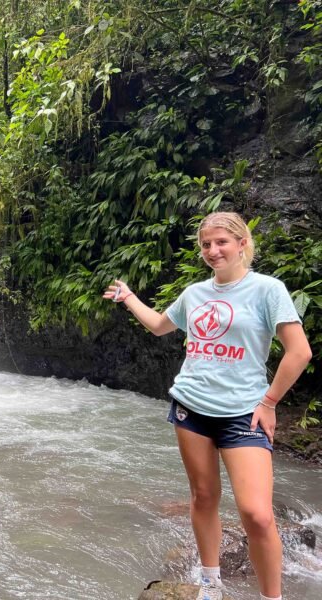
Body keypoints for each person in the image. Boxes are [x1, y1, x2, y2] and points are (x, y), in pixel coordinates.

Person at [103, 212, 312, 600]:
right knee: (202, 497)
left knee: (257, 514)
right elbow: (160, 325)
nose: (213, 251)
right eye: (206, 244)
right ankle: (210, 581)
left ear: (242, 244)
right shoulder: (195, 293)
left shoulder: (268, 290)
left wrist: (269, 403)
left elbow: (299, 352)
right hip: (191, 406)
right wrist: (129, 297)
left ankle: (273, 597)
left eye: (221, 243)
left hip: (243, 411)